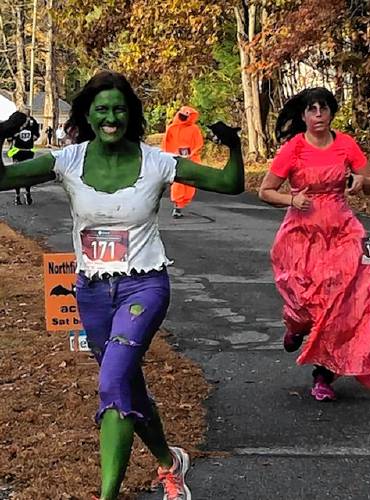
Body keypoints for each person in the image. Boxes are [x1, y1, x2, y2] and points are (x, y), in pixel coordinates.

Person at [0, 71, 244, 499]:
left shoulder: (157, 162)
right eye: (101, 109)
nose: (110, 117)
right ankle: (171, 462)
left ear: (130, 114)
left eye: (118, 108)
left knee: (112, 383)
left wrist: (235, 146)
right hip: (92, 292)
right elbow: (2, 179)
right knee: (128, 386)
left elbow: (230, 184)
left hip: (143, 288)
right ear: (88, 115)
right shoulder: (68, 160)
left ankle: (106, 495)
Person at [259, 87, 370, 402]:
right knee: (303, 302)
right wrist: (291, 198)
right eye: (312, 109)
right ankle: (295, 327)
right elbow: (265, 191)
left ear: (332, 112)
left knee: (342, 303)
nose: (319, 115)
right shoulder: (293, 148)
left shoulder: (346, 144)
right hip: (301, 235)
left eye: (324, 108)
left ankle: (323, 376)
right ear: (303, 115)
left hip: (343, 232)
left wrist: (362, 182)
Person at [162, 106, 204, 218]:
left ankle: (182, 203)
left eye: (185, 116)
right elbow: (166, 145)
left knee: (189, 185)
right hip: (176, 160)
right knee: (178, 183)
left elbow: (199, 144)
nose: (182, 118)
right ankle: (177, 206)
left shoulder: (194, 129)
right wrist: (171, 156)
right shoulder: (172, 128)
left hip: (191, 160)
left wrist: (191, 154)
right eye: (182, 115)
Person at [7, 106, 40, 205]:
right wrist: (13, 136)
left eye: (28, 114)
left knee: (27, 173)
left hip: (28, 151)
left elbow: (36, 134)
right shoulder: (16, 122)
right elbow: (9, 136)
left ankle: (27, 193)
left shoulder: (33, 122)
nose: (27, 116)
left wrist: (34, 137)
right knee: (18, 174)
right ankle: (17, 195)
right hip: (17, 151)